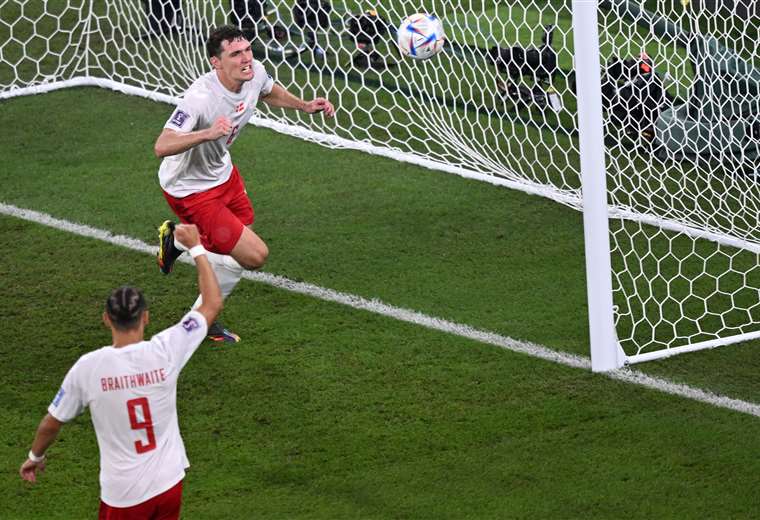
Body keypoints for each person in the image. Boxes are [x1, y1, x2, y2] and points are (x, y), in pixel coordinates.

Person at [20, 224, 222, 519]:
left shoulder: (89, 368)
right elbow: (212, 303)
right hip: (169, 483)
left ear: (106, 319)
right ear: (146, 318)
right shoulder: (167, 350)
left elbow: (52, 422)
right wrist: (196, 248)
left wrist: (34, 457)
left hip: (124, 495)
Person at [154, 24, 335, 343]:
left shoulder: (256, 72)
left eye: (248, 50)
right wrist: (207, 133)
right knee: (253, 256)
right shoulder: (200, 98)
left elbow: (268, 90)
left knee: (240, 234)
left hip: (223, 174)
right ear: (216, 62)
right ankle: (200, 318)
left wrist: (304, 105)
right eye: (236, 54)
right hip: (190, 189)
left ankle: (178, 240)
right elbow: (162, 145)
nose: (246, 58)